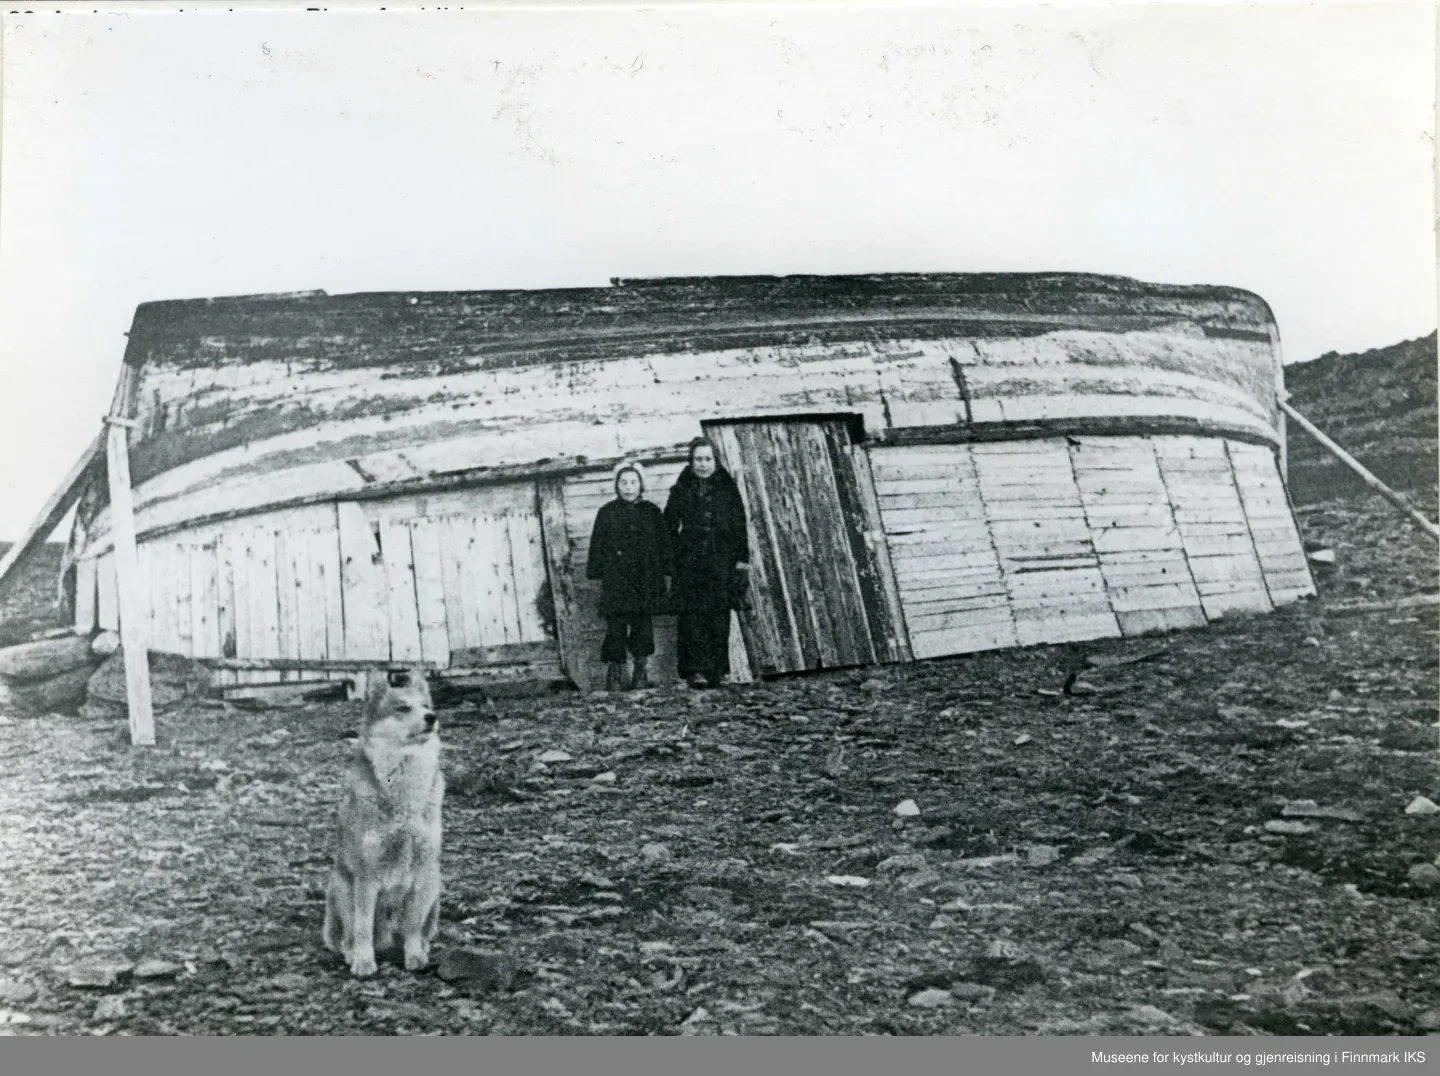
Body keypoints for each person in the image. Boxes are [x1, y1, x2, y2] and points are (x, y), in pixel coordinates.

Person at [663, 437, 750, 688]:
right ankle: (694, 671)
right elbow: (669, 524)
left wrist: (741, 560)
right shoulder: (681, 488)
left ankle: (717, 670)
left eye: (707, 459)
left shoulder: (727, 489)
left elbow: (739, 525)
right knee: (692, 616)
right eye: (698, 459)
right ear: (691, 462)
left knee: (718, 614)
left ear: (715, 461)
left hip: (721, 560)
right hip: (689, 562)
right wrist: (674, 556)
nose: (703, 464)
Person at [586, 462, 672, 691]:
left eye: (633, 482)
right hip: (617, 582)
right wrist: (597, 574)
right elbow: (597, 546)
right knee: (615, 629)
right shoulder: (606, 512)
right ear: (616, 485)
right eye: (623, 482)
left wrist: (666, 572)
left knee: (643, 628)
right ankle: (614, 675)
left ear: (641, 484)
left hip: (645, 582)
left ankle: (641, 674)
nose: (628, 487)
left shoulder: (651, 512)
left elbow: (664, 545)